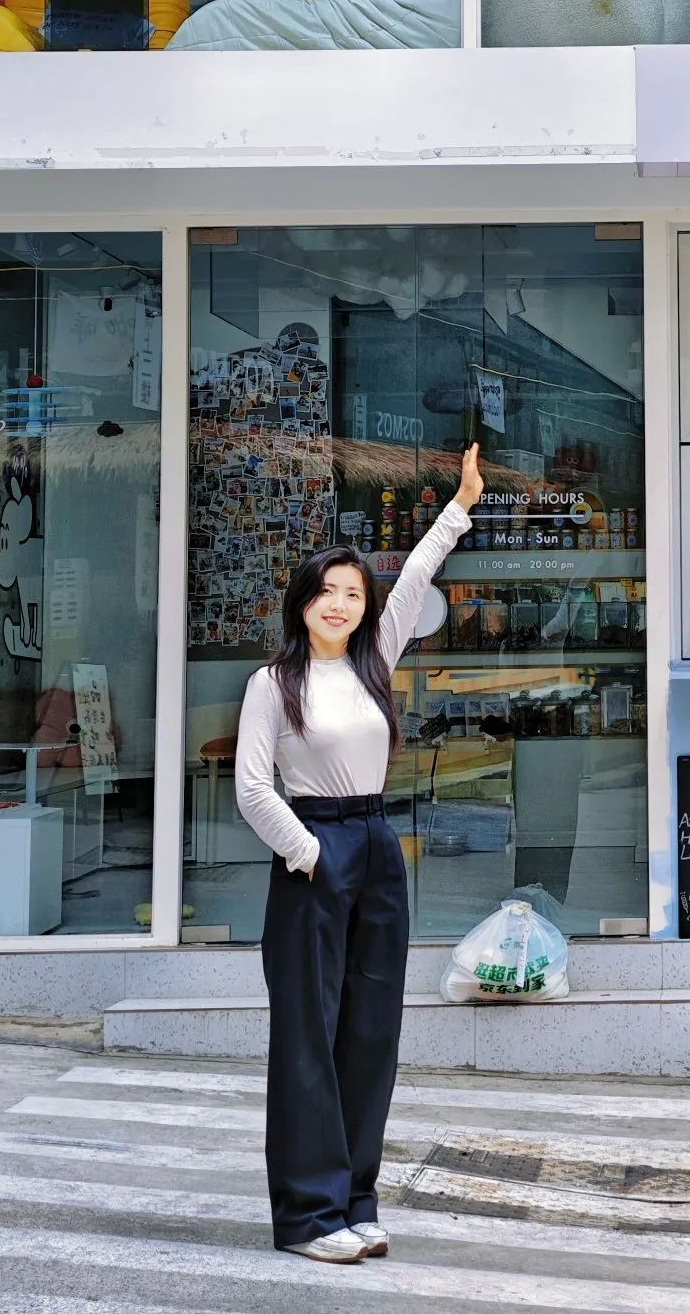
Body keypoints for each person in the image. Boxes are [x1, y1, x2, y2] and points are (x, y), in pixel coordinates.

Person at [236, 442, 484, 1264]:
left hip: (377, 842)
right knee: (309, 1037)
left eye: (352, 593)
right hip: (314, 848)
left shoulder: (375, 661)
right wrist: (309, 854)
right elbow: (252, 788)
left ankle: (354, 1200)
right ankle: (309, 1216)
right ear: (302, 601)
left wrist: (459, 506)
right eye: (327, 591)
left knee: (372, 1030)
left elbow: (413, 578)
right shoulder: (274, 683)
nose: (340, 603)